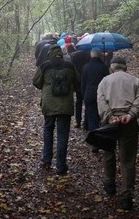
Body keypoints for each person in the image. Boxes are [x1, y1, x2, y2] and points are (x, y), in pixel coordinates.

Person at [97, 56, 139, 211]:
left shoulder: (104, 81)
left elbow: (101, 101)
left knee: (109, 153)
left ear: (112, 67)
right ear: (125, 67)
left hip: (109, 123)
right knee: (128, 160)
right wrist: (130, 115)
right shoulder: (135, 81)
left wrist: (110, 117)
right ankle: (127, 197)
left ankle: (110, 183)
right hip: (129, 124)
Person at [32, 45, 80, 175]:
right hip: (65, 105)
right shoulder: (70, 66)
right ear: (61, 54)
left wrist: (46, 85)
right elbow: (78, 83)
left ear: (50, 54)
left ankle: (47, 158)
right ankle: (60, 165)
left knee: (48, 129)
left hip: (49, 104)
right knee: (63, 134)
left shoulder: (45, 65)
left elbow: (36, 82)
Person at [81, 48, 110, 138]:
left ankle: (94, 140)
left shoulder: (86, 67)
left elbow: (83, 83)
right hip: (102, 95)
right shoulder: (104, 67)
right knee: (102, 117)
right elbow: (107, 82)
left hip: (89, 94)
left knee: (92, 118)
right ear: (100, 55)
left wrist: (83, 95)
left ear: (91, 55)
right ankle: (103, 137)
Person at [71, 48, 91, 128]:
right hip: (88, 81)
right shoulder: (89, 54)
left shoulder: (75, 55)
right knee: (87, 102)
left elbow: (72, 67)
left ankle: (78, 121)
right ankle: (86, 122)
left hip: (78, 81)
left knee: (78, 102)